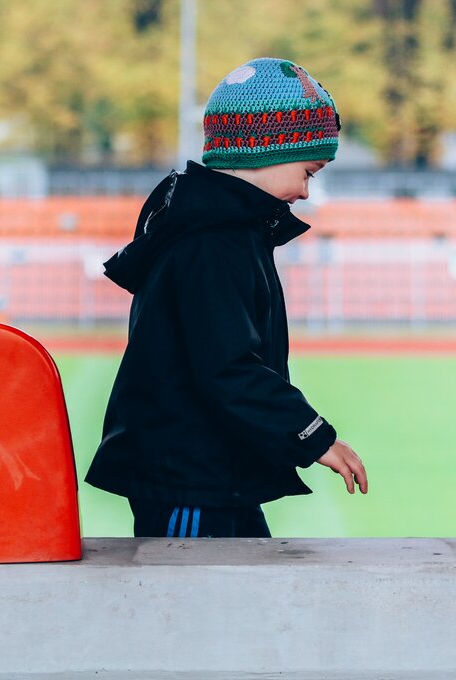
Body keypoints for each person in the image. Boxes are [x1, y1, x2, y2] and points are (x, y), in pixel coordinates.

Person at [85, 57, 368, 538]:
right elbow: (227, 366)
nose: (305, 191)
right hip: (190, 482)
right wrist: (313, 435)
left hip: (216, 477)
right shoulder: (213, 242)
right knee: (195, 589)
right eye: (309, 172)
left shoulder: (225, 232)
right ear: (269, 151)